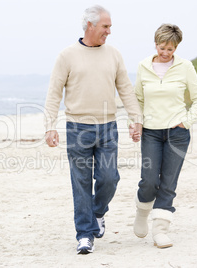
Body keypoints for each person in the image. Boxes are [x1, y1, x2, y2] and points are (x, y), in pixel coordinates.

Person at [44, 5, 143, 254]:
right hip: (77, 128)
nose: (109, 31)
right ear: (90, 25)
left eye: (109, 27)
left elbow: (126, 89)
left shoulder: (114, 54)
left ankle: (98, 212)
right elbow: (54, 93)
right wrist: (49, 126)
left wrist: (136, 119)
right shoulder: (67, 56)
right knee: (81, 184)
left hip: (108, 127)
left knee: (110, 178)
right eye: (105, 26)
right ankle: (85, 235)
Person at [129, 23, 197, 248]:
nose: (165, 53)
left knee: (168, 183)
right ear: (156, 44)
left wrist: (187, 122)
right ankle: (142, 213)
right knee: (150, 180)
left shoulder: (185, 67)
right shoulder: (144, 66)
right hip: (151, 132)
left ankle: (160, 230)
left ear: (176, 48)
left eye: (170, 49)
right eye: (162, 48)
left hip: (177, 133)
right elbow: (138, 100)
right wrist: (135, 124)